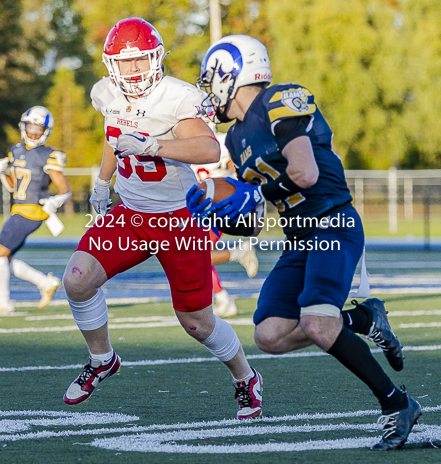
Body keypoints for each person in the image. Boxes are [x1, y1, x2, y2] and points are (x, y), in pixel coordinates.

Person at [189, 35, 419, 450]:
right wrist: (217, 213)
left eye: (212, 78)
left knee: (316, 323)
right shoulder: (237, 140)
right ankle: (363, 320)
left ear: (232, 73)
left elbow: (306, 172)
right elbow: (255, 224)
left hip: (332, 223)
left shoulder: (282, 99)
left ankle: (396, 403)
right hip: (298, 237)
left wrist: (252, 192)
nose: (209, 89)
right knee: (270, 336)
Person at [61, 18, 263, 420]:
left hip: (177, 219)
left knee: (197, 323)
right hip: (131, 215)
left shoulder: (175, 97)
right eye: (125, 63)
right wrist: (103, 182)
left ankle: (245, 377)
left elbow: (207, 148)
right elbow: (112, 135)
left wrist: (156, 144)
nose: (133, 71)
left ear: (156, 59)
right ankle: (102, 359)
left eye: (140, 61)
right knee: (77, 280)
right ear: (110, 65)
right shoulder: (105, 92)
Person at [0, 106, 71, 316]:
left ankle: (4, 303)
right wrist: (2, 173)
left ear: (45, 131)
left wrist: (55, 201)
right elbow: (13, 187)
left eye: (38, 128)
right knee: (6, 258)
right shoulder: (16, 150)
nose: (33, 132)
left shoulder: (49, 154)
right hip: (19, 208)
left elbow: (65, 190)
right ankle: (45, 282)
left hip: (32, 211)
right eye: (30, 126)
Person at [191, 125, 259, 318]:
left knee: (195, 255)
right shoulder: (188, 143)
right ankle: (223, 300)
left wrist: (240, 196)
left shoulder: (222, 143)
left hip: (220, 207)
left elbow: (242, 171)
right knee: (194, 256)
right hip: (199, 209)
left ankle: (237, 253)